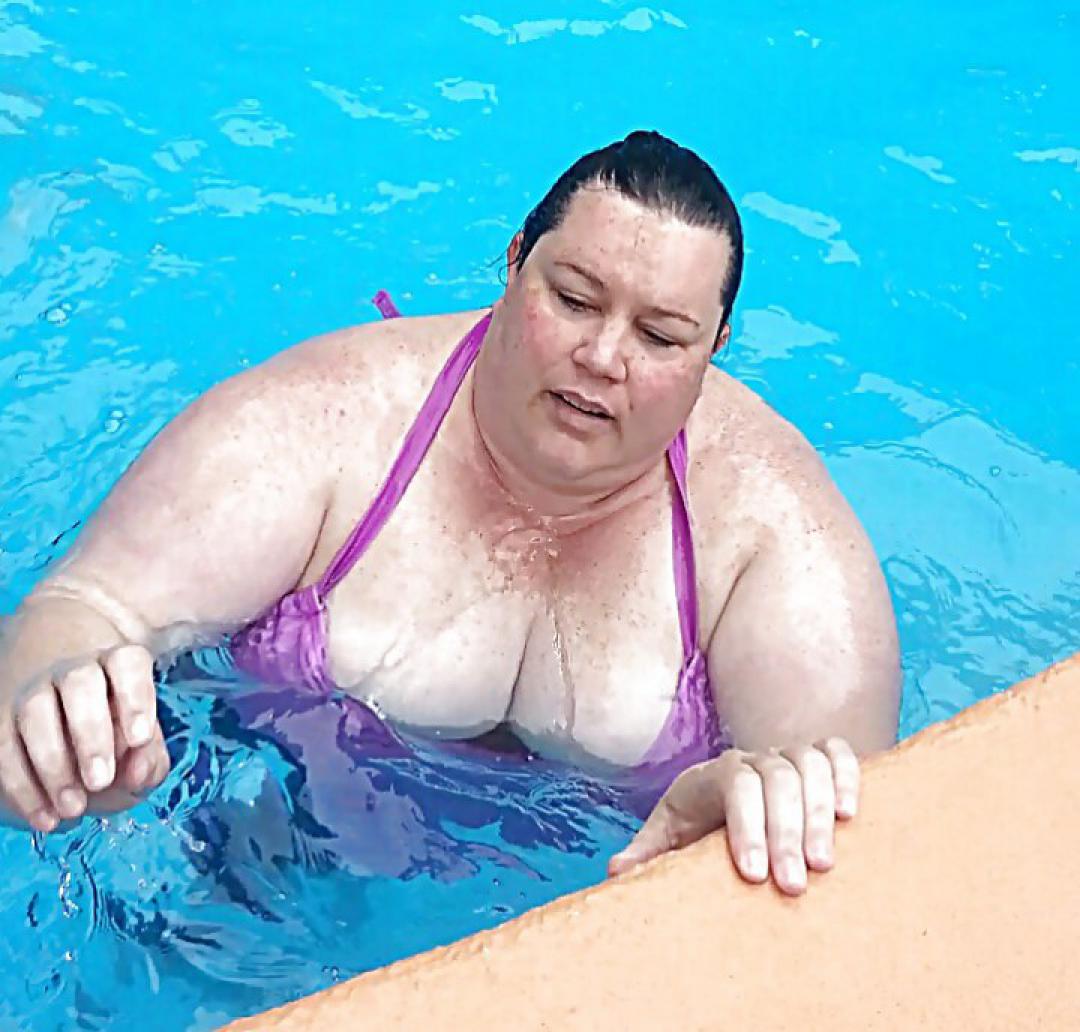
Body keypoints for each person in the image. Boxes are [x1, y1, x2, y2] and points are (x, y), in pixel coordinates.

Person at [0, 130, 900, 896]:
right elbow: (81, 611)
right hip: (261, 873)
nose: (603, 357)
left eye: (661, 336)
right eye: (573, 300)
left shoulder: (773, 529)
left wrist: (749, 831)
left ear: (715, 348)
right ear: (514, 264)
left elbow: (853, 831)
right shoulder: (326, 423)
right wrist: (59, 717)